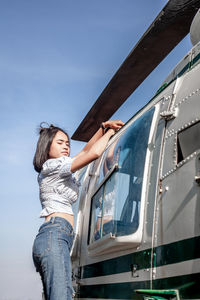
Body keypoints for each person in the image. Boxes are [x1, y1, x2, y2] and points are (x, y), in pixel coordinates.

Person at [32, 120, 124, 300]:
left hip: (57, 236)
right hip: (55, 234)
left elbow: (84, 152)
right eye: (60, 143)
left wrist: (102, 128)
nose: (66, 147)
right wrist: (110, 133)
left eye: (67, 143)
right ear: (46, 146)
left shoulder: (60, 168)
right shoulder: (52, 166)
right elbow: (94, 153)